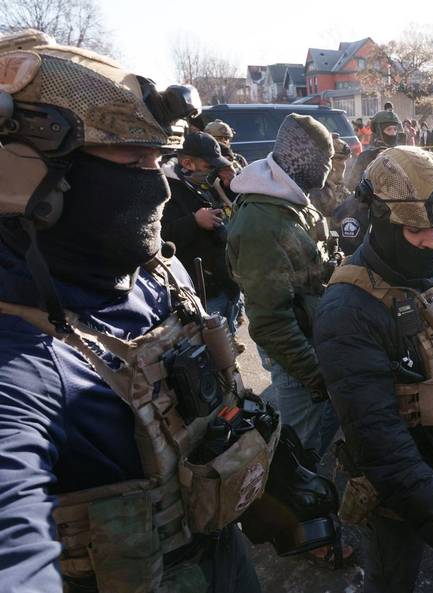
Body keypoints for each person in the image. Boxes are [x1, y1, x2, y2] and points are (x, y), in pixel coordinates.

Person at [0, 37, 269, 591]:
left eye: (159, 160)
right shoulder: (18, 357)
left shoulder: (157, 273)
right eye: (131, 160)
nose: (157, 185)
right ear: (24, 171)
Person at [314, 146, 433, 593]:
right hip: (398, 490)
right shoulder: (349, 309)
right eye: (416, 229)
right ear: (380, 219)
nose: (431, 242)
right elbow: (378, 441)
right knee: (392, 579)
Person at [227, 114, 337, 456]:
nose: (330, 167)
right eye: (326, 159)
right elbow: (271, 322)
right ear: (301, 156)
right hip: (297, 355)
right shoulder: (263, 221)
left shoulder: (289, 200)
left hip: (311, 337)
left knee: (323, 425)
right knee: (301, 448)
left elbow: (306, 269)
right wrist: (315, 375)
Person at [160, 132, 242, 332]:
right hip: (202, 295)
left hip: (227, 285)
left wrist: (229, 186)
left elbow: (232, 210)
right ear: (187, 163)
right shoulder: (165, 190)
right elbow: (160, 240)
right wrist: (194, 221)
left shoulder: (205, 185)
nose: (213, 171)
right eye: (209, 166)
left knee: (230, 341)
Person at [335, 109, 404, 255]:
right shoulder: (367, 156)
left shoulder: (403, 155)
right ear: (378, 130)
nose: (393, 133)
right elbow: (353, 185)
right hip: (370, 211)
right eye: (389, 129)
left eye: (395, 129)